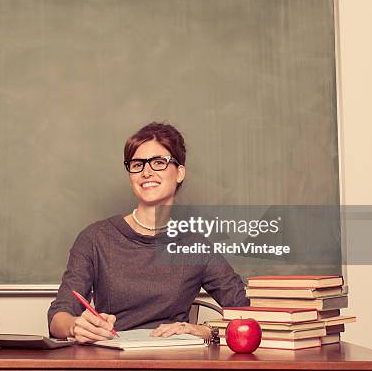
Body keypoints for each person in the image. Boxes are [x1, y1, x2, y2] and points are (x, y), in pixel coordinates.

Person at [48, 122, 249, 343]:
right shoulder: (95, 238)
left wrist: (206, 331)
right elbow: (58, 317)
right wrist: (75, 326)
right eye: (137, 164)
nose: (146, 172)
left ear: (179, 172)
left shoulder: (195, 245)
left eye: (158, 162)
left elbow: (249, 313)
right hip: (112, 359)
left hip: (176, 361)